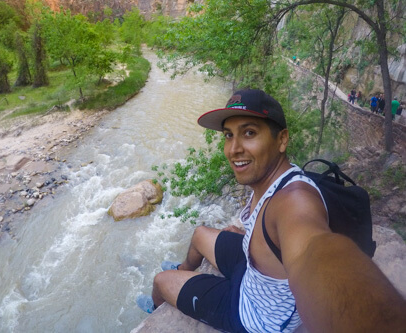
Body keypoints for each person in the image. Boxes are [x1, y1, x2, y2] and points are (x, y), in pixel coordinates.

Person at [136, 89, 406, 332]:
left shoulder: (294, 201)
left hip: (254, 315)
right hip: (254, 273)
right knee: (199, 234)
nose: (234, 149)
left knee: (161, 281)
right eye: (229, 135)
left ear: (282, 140)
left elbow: (314, 251)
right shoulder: (278, 178)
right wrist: (251, 238)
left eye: (249, 133)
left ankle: (158, 304)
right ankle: (184, 268)